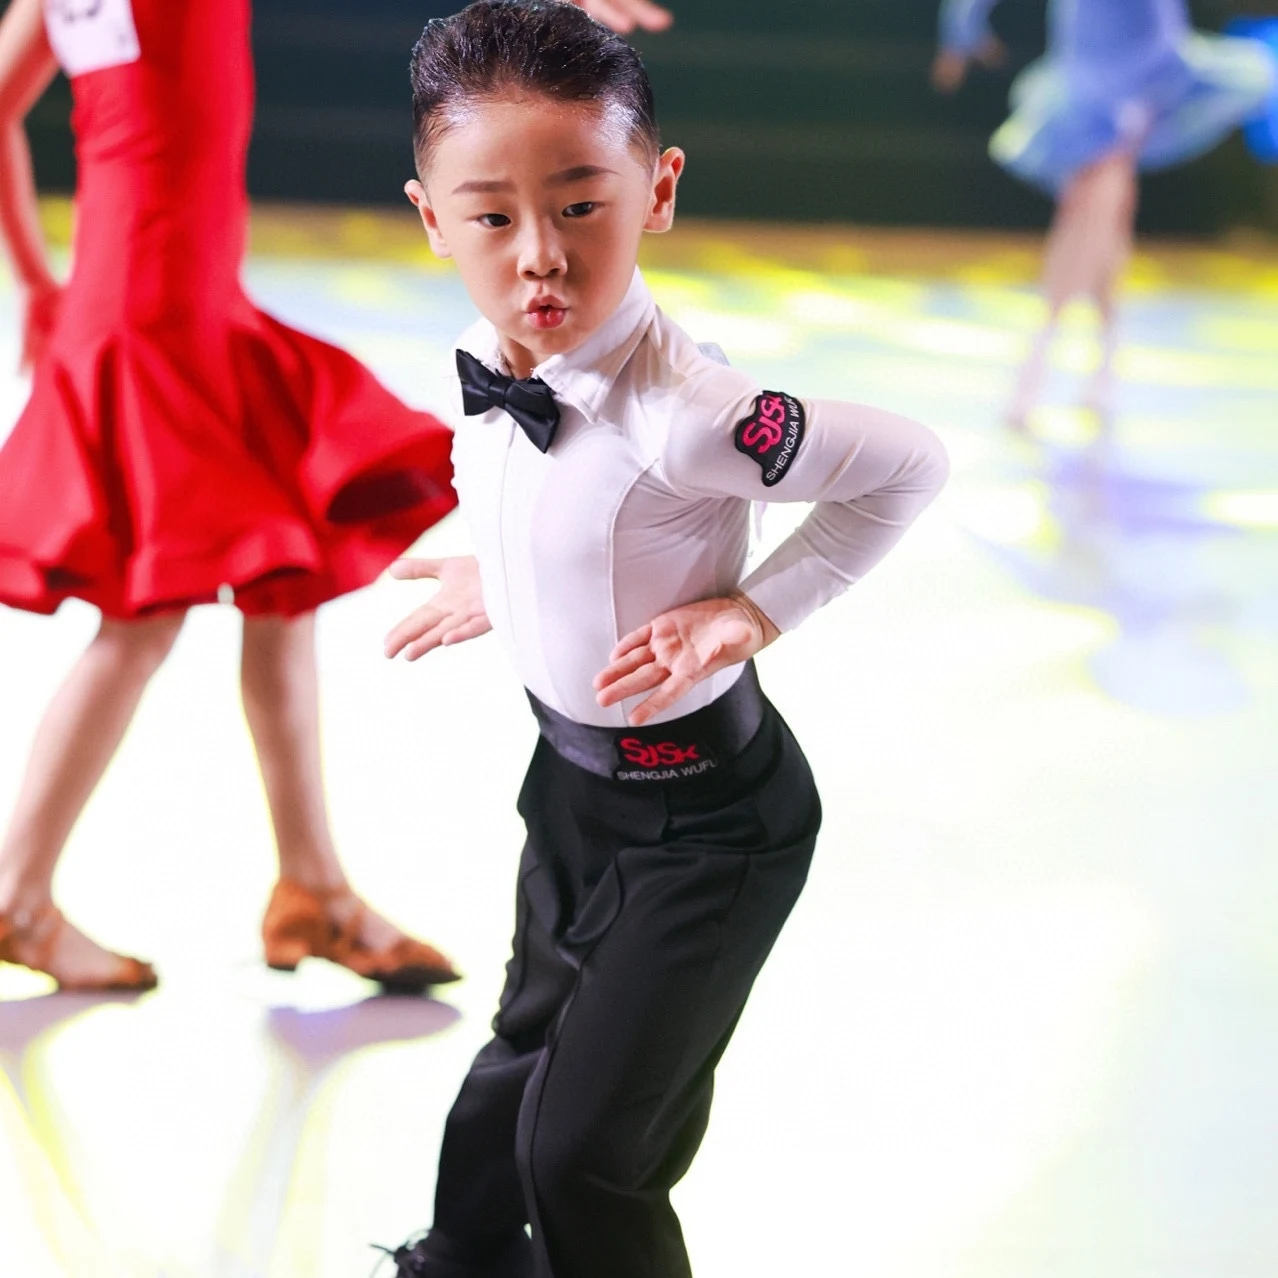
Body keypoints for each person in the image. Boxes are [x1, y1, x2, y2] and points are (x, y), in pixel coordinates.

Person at [378, 4, 949, 1275]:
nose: (539, 258)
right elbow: (555, 500)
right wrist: (510, 575)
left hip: (708, 826)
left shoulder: (696, 418)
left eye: (582, 205)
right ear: (431, 218)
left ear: (659, 189)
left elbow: (910, 465)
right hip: (574, 782)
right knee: (506, 1080)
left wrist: (753, 611)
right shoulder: (491, 353)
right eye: (492, 216)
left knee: (583, 1157)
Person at [0, 0, 461, 993]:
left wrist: (39, 281)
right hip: (157, 311)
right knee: (145, 612)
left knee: (278, 580)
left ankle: (313, 887)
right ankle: (17, 898)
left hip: (158, 299)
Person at [933, 0, 1278, 427]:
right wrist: (962, 33)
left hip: (1141, 76)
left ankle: (1041, 363)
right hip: (1086, 76)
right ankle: (1097, 360)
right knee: (1105, 217)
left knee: (1093, 213)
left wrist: (962, 33)